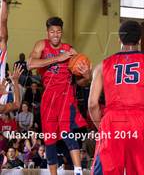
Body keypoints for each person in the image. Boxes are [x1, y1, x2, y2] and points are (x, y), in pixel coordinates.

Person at [28, 17, 91, 175]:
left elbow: (81, 82)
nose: (55, 34)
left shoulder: (70, 50)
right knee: (49, 140)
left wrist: (87, 76)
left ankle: (78, 171)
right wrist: (58, 58)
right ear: (47, 32)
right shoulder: (41, 44)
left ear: (62, 32)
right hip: (49, 99)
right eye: (52, 31)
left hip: (66, 97)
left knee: (67, 133)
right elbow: (30, 64)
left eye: (58, 31)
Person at [88, 20, 144, 175]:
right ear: (139, 40)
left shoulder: (102, 66)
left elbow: (92, 104)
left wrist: (102, 127)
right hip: (141, 121)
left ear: (119, 39)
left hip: (113, 122)